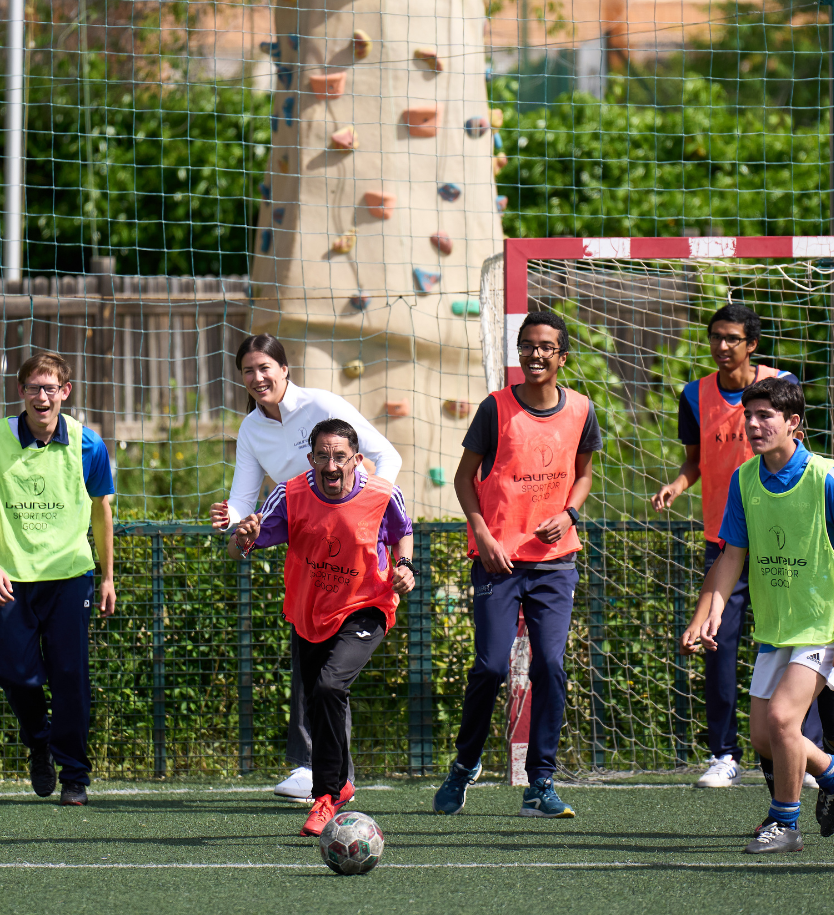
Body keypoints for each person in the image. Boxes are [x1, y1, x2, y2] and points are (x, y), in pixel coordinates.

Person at [683, 377, 834, 854]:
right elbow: (732, 555)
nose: (753, 425)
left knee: (782, 721)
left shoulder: (827, 477)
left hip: (825, 621)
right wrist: (711, 612)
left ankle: (785, 825)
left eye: (765, 416)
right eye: (748, 416)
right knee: (762, 736)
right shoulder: (744, 479)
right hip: (780, 625)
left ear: (793, 422)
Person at [209, 333, 402, 801]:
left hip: (357, 559)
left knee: (331, 679)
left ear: (284, 369)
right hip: (309, 551)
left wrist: (366, 514)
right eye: (248, 371)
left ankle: (320, 772)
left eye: (265, 367)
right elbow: (244, 502)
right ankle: (324, 773)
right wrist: (232, 519)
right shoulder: (251, 430)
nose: (257, 378)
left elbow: (387, 457)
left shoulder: (321, 405)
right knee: (316, 668)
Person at [432, 310, 603, 819]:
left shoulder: (582, 409)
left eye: (546, 346)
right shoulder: (495, 407)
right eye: (527, 345)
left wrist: (569, 514)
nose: (535, 354)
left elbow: (584, 475)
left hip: (555, 563)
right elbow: (464, 478)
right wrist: (482, 535)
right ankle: (465, 764)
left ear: (562, 356)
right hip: (498, 560)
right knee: (489, 666)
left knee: (550, 665)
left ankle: (540, 781)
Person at [651, 304, 823, 789]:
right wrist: (676, 486)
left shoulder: (781, 384)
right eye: (715, 337)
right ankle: (723, 754)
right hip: (725, 542)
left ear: (752, 344)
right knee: (717, 643)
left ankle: (807, 749)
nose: (721, 346)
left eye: (732, 338)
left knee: (795, 643)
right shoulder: (694, 394)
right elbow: (694, 461)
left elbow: (801, 453)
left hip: (781, 541)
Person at [228, 418, 414, 836]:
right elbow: (239, 548)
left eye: (340, 457)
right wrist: (243, 537)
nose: (331, 465)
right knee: (319, 701)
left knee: (331, 686)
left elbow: (403, 532)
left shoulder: (383, 494)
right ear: (311, 459)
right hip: (310, 612)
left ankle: (326, 795)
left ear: (356, 460)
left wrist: (405, 566)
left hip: (367, 606)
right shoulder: (290, 494)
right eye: (323, 456)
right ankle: (340, 782)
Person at [0, 352, 116, 807]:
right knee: (14, 674)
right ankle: (39, 742)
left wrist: (108, 576)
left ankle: (75, 777)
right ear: (21, 392)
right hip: (10, 579)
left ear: (65, 392)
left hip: (70, 577)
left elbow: (102, 512)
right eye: (34, 388)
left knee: (70, 676)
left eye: (51, 388)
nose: (42, 397)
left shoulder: (88, 444)